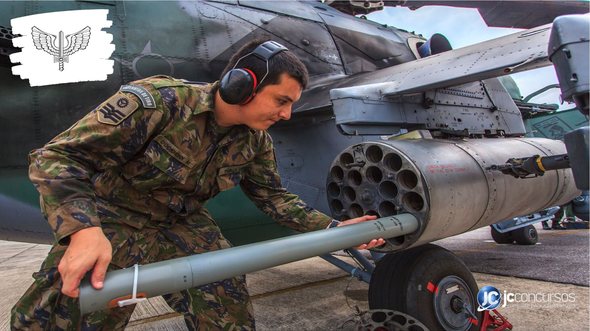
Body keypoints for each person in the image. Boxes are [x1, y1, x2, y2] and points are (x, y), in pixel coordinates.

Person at [11, 39, 385, 330]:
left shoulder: (255, 141)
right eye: (281, 100)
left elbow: (274, 199)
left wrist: (334, 228)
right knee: (56, 317)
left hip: (184, 226)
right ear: (243, 84)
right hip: (112, 219)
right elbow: (57, 157)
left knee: (226, 302)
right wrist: (83, 231)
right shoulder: (158, 103)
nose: (286, 114)